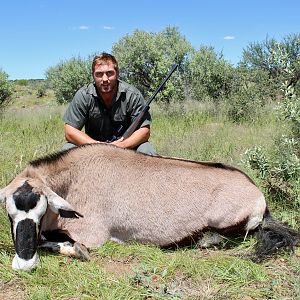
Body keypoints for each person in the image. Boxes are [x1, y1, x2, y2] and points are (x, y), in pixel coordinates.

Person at [62, 52, 156, 155]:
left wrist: (121, 146)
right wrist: (97, 146)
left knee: (146, 150)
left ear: (117, 73)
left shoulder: (132, 95)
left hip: (127, 149)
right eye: (99, 74)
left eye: (110, 73)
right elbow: (69, 131)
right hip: (93, 150)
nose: (105, 79)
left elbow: (144, 131)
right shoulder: (84, 95)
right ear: (93, 75)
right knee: (67, 149)